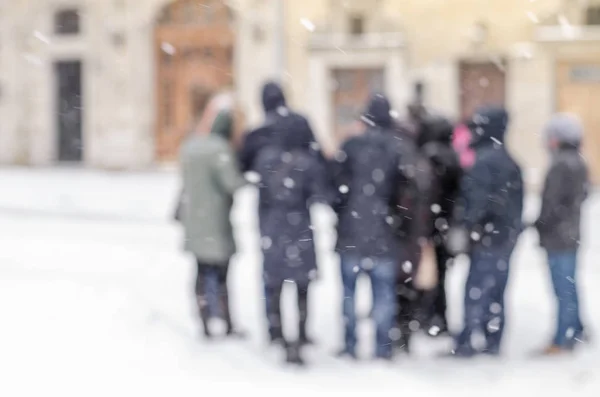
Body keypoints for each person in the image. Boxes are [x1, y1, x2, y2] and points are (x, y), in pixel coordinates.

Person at [239, 81, 325, 344]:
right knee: (301, 278)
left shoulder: (258, 133)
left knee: (273, 275)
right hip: (299, 212)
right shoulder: (301, 124)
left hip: (270, 215)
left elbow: (243, 165)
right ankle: (299, 332)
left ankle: (275, 329)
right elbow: (319, 162)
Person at [331, 94, 412, 360]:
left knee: (350, 295)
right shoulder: (397, 148)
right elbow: (406, 193)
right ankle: (382, 347)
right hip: (384, 234)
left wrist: (343, 214)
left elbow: (336, 189)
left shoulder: (351, 146)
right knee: (383, 295)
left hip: (352, 232)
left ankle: (352, 344)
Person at [450, 106, 524, 357]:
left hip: (487, 238)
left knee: (476, 290)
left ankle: (468, 341)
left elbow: (475, 203)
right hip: (504, 238)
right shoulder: (509, 160)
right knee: (496, 292)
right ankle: (493, 340)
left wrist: (466, 226)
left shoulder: (483, 161)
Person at [254, 142, 331, 365]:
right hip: (299, 229)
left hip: (275, 229)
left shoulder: (266, 159)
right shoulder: (306, 161)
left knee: (275, 285)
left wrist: (264, 229)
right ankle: (300, 334)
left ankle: (276, 332)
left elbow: (261, 201)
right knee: (302, 287)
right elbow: (321, 195)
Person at [179, 92, 246, 339]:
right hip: (215, 221)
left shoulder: (191, 146)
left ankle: (204, 319)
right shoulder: (220, 150)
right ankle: (225, 321)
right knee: (221, 276)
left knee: (199, 271)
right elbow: (232, 183)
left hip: (194, 219)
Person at [533, 113, 589, 355]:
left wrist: (539, 224)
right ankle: (575, 329)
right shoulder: (578, 161)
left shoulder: (560, 164)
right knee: (569, 285)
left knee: (563, 288)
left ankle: (563, 338)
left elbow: (551, 204)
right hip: (570, 233)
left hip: (558, 236)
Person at [416, 115, 462, 337]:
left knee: (427, 275)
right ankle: (439, 319)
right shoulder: (453, 156)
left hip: (429, 224)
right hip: (445, 223)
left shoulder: (428, 156)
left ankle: (428, 318)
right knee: (441, 276)